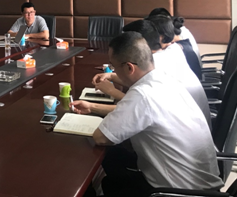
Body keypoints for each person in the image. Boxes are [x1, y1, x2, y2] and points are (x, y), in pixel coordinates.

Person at [73, 32, 222, 196]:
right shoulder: (164, 79)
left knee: (107, 176)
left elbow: (101, 138)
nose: (114, 71)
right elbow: (139, 114)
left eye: (114, 66)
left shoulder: (142, 95)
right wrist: (93, 107)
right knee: (115, 160)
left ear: (129, 67)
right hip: (203, 187)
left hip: (177, 192)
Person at [94, 19, 211, 125]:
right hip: (194, 123)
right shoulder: (170, 51)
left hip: (184, 125)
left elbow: (139, 107)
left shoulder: (156, 65)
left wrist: (111, 91)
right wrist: (112, 76)